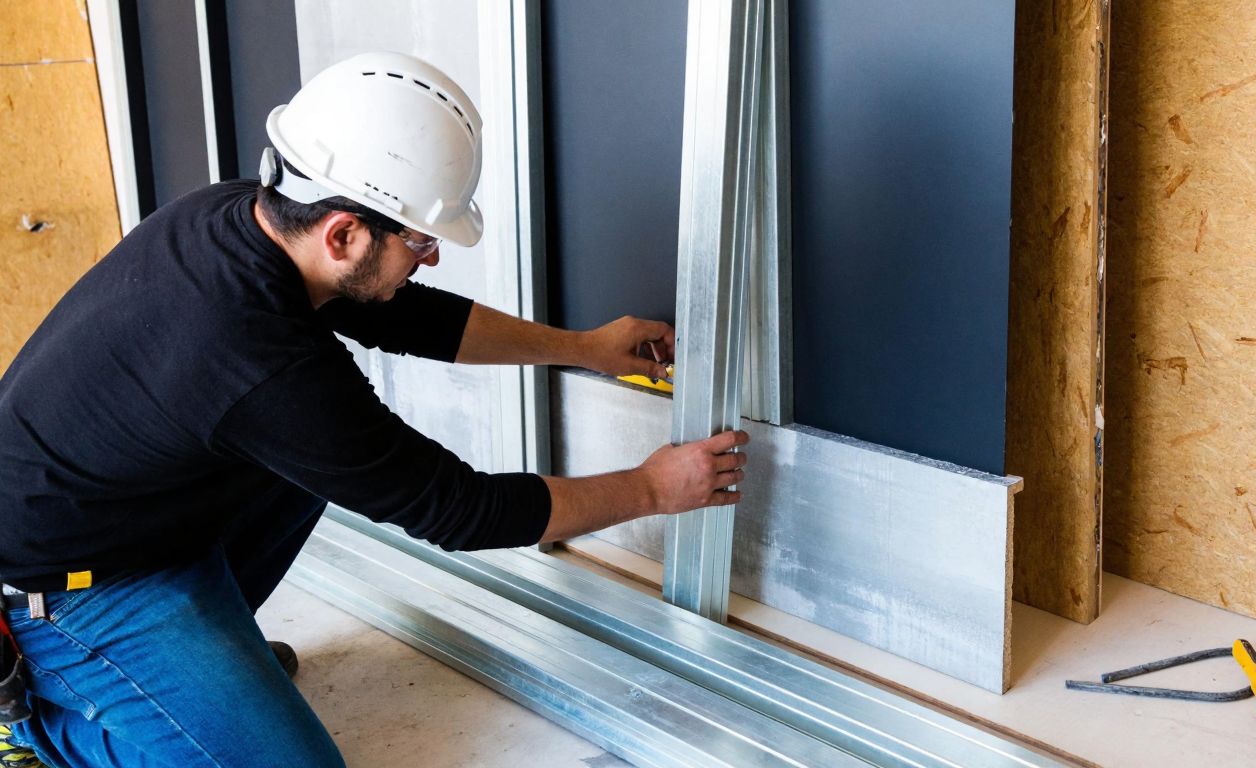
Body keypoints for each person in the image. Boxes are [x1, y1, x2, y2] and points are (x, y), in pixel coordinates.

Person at [0, 51, 747, 767]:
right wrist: (651, 489)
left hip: (130, 516)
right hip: (71, 588)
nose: (431, 256)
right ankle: (37, 729)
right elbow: (461, 511)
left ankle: (208, 665)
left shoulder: (245, 216)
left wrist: (582, 348)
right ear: (344, 232)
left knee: (306, 461)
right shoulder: (260, 360)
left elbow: (401, 315)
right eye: (420, 241)